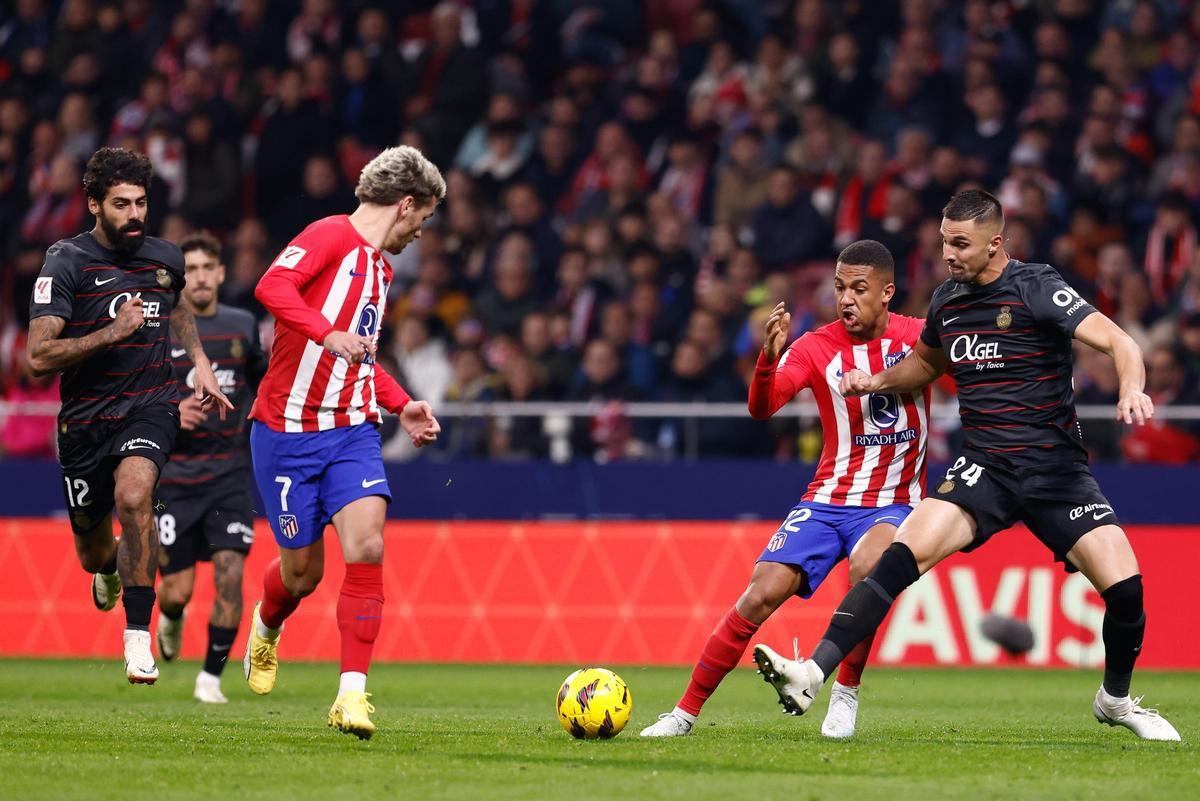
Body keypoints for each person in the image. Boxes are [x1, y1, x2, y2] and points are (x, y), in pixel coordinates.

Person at [753, 190, 1181, 742]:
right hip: (985, 470)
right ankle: (810, 674)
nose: (949, 254)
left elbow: (1120, 342)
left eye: (961, 243)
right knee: (897, 558)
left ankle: (1115, 702)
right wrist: (876, 380)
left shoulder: (1037, 287)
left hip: (1056, 474)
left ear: (996, 244)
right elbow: (925, 364)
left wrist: (1132, 390)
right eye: (944, 242)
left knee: (1126, 593)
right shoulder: (947, 302)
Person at [641, 240, 930, 739]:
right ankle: (683, 714)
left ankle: (844, 694)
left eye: (859, 289)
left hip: (893, 500)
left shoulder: (920, 337)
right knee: (759, 593)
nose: (846, 299)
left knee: (870, 567)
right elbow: (763, 407)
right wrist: (767, 362)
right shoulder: (816, 346)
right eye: (840, 287)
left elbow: (967, 374)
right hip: (826, 499)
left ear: (887, 292)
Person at [243, 145, 444, 739]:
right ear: (405, 204)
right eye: (422, 220)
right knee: (300, 574)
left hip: (351, 431)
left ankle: (351, 695)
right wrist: (325, 333)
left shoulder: (380, 269)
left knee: (369, 546)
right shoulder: (329, 235)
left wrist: (402, 401)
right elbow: (271, 287)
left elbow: (360, 357)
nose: (418, 235)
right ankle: (267, 624)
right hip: (283, 431)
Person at [25, 147, 232, 684]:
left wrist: (201, 363)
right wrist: (111, 333)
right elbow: (39, 356)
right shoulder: (64, 261)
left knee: (137, 495)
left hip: (151, 404)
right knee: (95, 553)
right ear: (94, 204)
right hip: (86, 419)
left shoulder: (164, 257)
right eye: (121, 205)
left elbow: (178, 303)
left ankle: (136, 636)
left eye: (141, 202)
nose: (134, 214)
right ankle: (110, 571)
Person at [154, 231, 269, 703]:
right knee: (177, 591)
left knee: (230, 574)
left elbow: (264, 384)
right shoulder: (161, 330)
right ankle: (170, 617)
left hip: (228, 475)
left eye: (207, 268)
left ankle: (210, 679)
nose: (199, 277)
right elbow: (135, 393)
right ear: (181, 279)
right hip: (174, 479)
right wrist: (170, 412)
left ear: (220, 273)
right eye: (191, 269)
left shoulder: (242, 326)